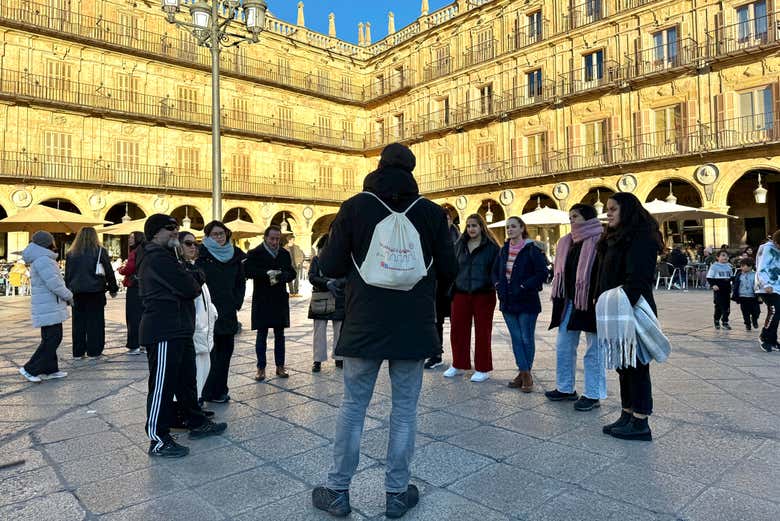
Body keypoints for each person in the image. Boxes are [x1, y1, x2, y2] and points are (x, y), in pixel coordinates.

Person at [312, 143, 457, 519]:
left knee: (353, 408)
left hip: (364, 323)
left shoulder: (356, 206)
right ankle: (396, 493)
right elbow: (449, 267)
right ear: (412, 170)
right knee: (405, 410)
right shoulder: (429, 212)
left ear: (378, 167)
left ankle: (338, 490)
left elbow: (329, 263)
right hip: (413, 325)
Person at [139, 214, 226, 458]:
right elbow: (190, 286)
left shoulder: (168, 258)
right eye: (171, 230)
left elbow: (191, 280)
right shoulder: (156, 258)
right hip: (164, 330)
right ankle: (157, 439)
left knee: (186, 381)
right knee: (162, 386)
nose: (176, 234)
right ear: (156, 232)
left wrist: (191, 276)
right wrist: (192, 276)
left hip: (179, 329)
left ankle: (195, 421)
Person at [596, 192, 663, 441]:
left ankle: (641, 421)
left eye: (613, 208)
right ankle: (627, 413)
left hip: (630, 309)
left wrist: (621, 305)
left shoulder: (642, 237)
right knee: (623, 364)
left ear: (628, 210)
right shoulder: (613, 237)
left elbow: (638, 280)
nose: (608, 213)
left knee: (637, 365)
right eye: (607, 209)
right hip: (613, 310)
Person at [545, 204, 606, 410]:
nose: (571, 219)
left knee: (593, 350)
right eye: (570, 216)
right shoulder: (566, 242)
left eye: (576, 216)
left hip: (591, 302)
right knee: (564, 346)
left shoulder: (601, 240)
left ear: (588, 218)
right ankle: (565, 388)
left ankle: (593, 394)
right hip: (569, 301)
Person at [493, 216, 548, 392]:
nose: (510, 229)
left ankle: (524, 374)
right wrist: (497, 284)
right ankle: (525, 374)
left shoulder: (532, 249)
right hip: (507, 302)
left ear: (522, 228)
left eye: (513, 226)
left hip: (526, 301)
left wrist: (524, 285)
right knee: (516, 338)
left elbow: (542, 273)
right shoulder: (503, 250)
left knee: (526, 338)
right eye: (508, 227)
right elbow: (494, 271)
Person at [444, 213, 500, 382]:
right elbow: (452, 267)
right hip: (461, 293)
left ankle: (483, 368)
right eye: (468, 226)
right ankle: (458, 363)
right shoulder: (459, 245)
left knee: (483, 332)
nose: (471, 229)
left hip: (483, 294)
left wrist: (492, 285)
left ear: (481, 227)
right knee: (457, 330)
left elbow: (496, 271)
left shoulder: (491, 247)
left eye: (474, 225)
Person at [198, 220, 246, 404]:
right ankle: (209, 391)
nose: (219, 237)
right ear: (208, 237)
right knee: (212, 352)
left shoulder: (235, 256)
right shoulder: (202, 255)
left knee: (226, 351)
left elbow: (240, 282)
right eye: (215, 234)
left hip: (228, 310)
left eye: (221, 233)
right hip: (209, 311)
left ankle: (221, 389)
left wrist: (236, 302)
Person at [19, 231, 73, 383]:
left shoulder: (42, 258)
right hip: (49, 304)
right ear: (47, 243)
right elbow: (54, 283)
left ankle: (50, 369)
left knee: (50, 337)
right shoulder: (44, 260)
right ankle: (30, 369)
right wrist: (69, 295)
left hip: (48, 304)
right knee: (53, 339)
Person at [244, 225, 296, 381]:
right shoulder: (255, 253)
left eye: (277, 239)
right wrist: (266, 274)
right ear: (265, 238)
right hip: (262, 299)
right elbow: (248, 271)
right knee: (262, 334)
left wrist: (281, 275)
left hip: (279, 298)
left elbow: (292, 273)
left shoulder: (284, 254)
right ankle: (261, 368)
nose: (275, 242)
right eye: (272, 238)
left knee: (280, 334)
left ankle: (280, 366)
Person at [65, 227, 119, 358]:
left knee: (78, 323)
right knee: (95, 322)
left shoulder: (71, 253)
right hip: (95, 291)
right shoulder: (100, 251)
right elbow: (108, 271)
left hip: (76, 292)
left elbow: (68, 275)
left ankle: (78, 352)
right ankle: (94, 351)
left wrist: (67, 292)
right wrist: (113, 288)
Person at [179, 231, 218, 400]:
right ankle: (190, 406)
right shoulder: (180, 269)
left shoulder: (194, 267)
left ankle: (198, 402)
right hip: (194, 329)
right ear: (178, 246)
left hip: (205, 329)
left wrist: (212, 311)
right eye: (188, 243)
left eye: (195, 244)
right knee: (192, 371)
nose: (193, 247)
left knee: (204, 367)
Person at [425, 210, 459, 369]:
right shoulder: (433, 238)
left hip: (454, 287)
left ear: (451, 220)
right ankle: (436, 355)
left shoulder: (459, 240)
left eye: (447, 219)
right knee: (435, 322)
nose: (444, 222)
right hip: (437, 287)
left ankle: (459, 358)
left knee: (456, 323)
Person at [308, 234, 346, 372]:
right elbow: (312, 277)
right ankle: (317, 360)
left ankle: (339, 358)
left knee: (339, 329)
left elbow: (347, 276)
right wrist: (327, 283)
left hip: (338, 297)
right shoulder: (316, 260)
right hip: (321, 297)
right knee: (319, 330)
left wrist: (337, 283)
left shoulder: (342, 260)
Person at [118, 231, 145, 354]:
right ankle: (144, 343)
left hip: (134, 287)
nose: (129, 239)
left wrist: (121, 270)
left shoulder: (134, 252)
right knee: (143, 315)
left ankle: (134, 345)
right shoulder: (145, 250)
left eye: (132, 237)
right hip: (144, 286)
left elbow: (129, 268)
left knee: (133, 316)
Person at [755, 231, 780, 352]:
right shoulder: (767, 249)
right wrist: (766, 283)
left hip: (778, 286)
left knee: (778, 313)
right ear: (775, 242)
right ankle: (764, 336)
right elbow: (761, 268)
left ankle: (773, 340)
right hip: (766, 287)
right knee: (775, 310)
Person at [732, 257, 760, 332]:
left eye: (745, 266)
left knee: (756, 311)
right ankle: (747, 324)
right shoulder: (739, 275)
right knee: (745, 312)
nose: (743, 267)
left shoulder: (755, 275)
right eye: (742, 265)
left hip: (753, 296)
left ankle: (754, 320)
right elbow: (735, 284)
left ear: (751, 266)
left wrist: (760, 295)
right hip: (743, 296)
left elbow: (759, 285)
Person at [707, 250, 733, 330]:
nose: (725, 257)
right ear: (717, 257)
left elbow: (731, 277)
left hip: (727, 289)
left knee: (727, 307)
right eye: (723, 255)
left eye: (727, 256)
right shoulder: (714, 266)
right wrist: (713, 285)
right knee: (719, 306)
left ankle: (725, 321)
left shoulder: (729, 266)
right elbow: (709, 277)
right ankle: (716, 320)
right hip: (718, 290)